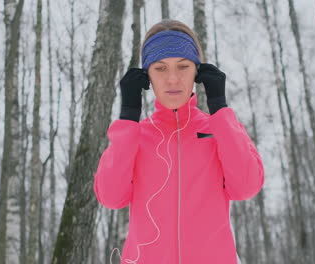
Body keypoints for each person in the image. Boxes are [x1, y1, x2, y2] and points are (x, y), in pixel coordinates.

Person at [93, 19, 265, 264]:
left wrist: (219, 108)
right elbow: (110, 196)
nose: (172, 79)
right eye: (160, 68)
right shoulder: (135, 135)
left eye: (183, 67)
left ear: (197, 71)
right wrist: (128, 117)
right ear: (147, 76)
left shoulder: (218, 129)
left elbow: (246, 186)